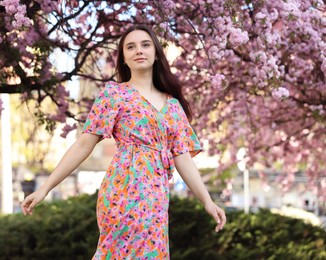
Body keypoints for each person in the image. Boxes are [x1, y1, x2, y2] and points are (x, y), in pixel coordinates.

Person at [21, 24, 226, 259]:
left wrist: (208, 202)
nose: (139, 50)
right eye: (131, 47)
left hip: (156, 197)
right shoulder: (114, 94)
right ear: (124, 59)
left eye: (145, 44)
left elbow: (183, 158)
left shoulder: (173, 106)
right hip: (122, 190)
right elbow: (83, 145)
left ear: (157, 53)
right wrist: (45, 188)